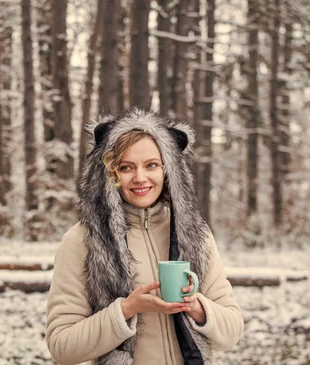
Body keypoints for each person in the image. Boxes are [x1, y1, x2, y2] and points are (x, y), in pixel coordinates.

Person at [46, 109, 244, 365]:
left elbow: (232, 332)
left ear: (167, 168)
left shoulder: (194, 233)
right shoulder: (83, 240)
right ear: (110, 173)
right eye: (126, 167)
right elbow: (62, 346)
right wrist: (127, 309)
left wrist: (196, 306)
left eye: (151, 165)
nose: (140, 178)